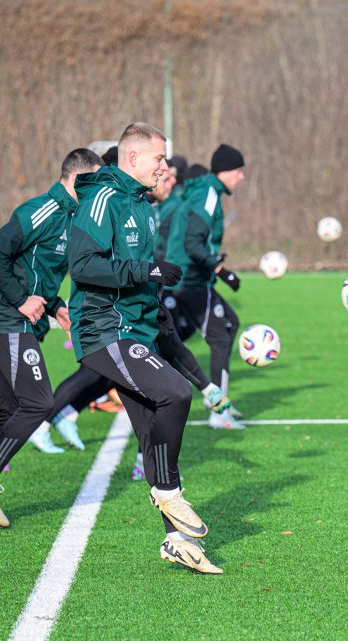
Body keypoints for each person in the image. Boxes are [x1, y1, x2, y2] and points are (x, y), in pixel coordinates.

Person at [69, 122, 221, 574]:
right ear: (132, 158)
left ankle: (177, 540)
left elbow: (138, 273)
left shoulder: (144, 205)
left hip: (134, 326)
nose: (165, 166)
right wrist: (147, 272)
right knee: (175, 394)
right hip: (103, 329)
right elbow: (83, 264)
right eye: (159, 158)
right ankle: (169, 492)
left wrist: (155, 308)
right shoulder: (103, 198)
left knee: (153, 427)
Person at [0, 148, 104, 529]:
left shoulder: (71, 217)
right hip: (7, 318)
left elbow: (38, 275)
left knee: (10, 411)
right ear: (79, 179)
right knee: (37, 402)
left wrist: (54, 304)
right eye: (96, 182)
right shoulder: (42, 209)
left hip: (21, 320)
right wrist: (20, 300)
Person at [164, 144, 246, 430]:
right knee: (220, 338)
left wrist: (214, 261)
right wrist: (221, 270)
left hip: (191, 277)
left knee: (230, 325)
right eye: (238, 171)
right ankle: (218, 411)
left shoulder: (205, 191)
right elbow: (192, 243)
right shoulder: (208, 195)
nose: (241, 177)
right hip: (190, 280)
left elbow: (197, 241)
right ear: (224, 171)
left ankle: (218, 399)